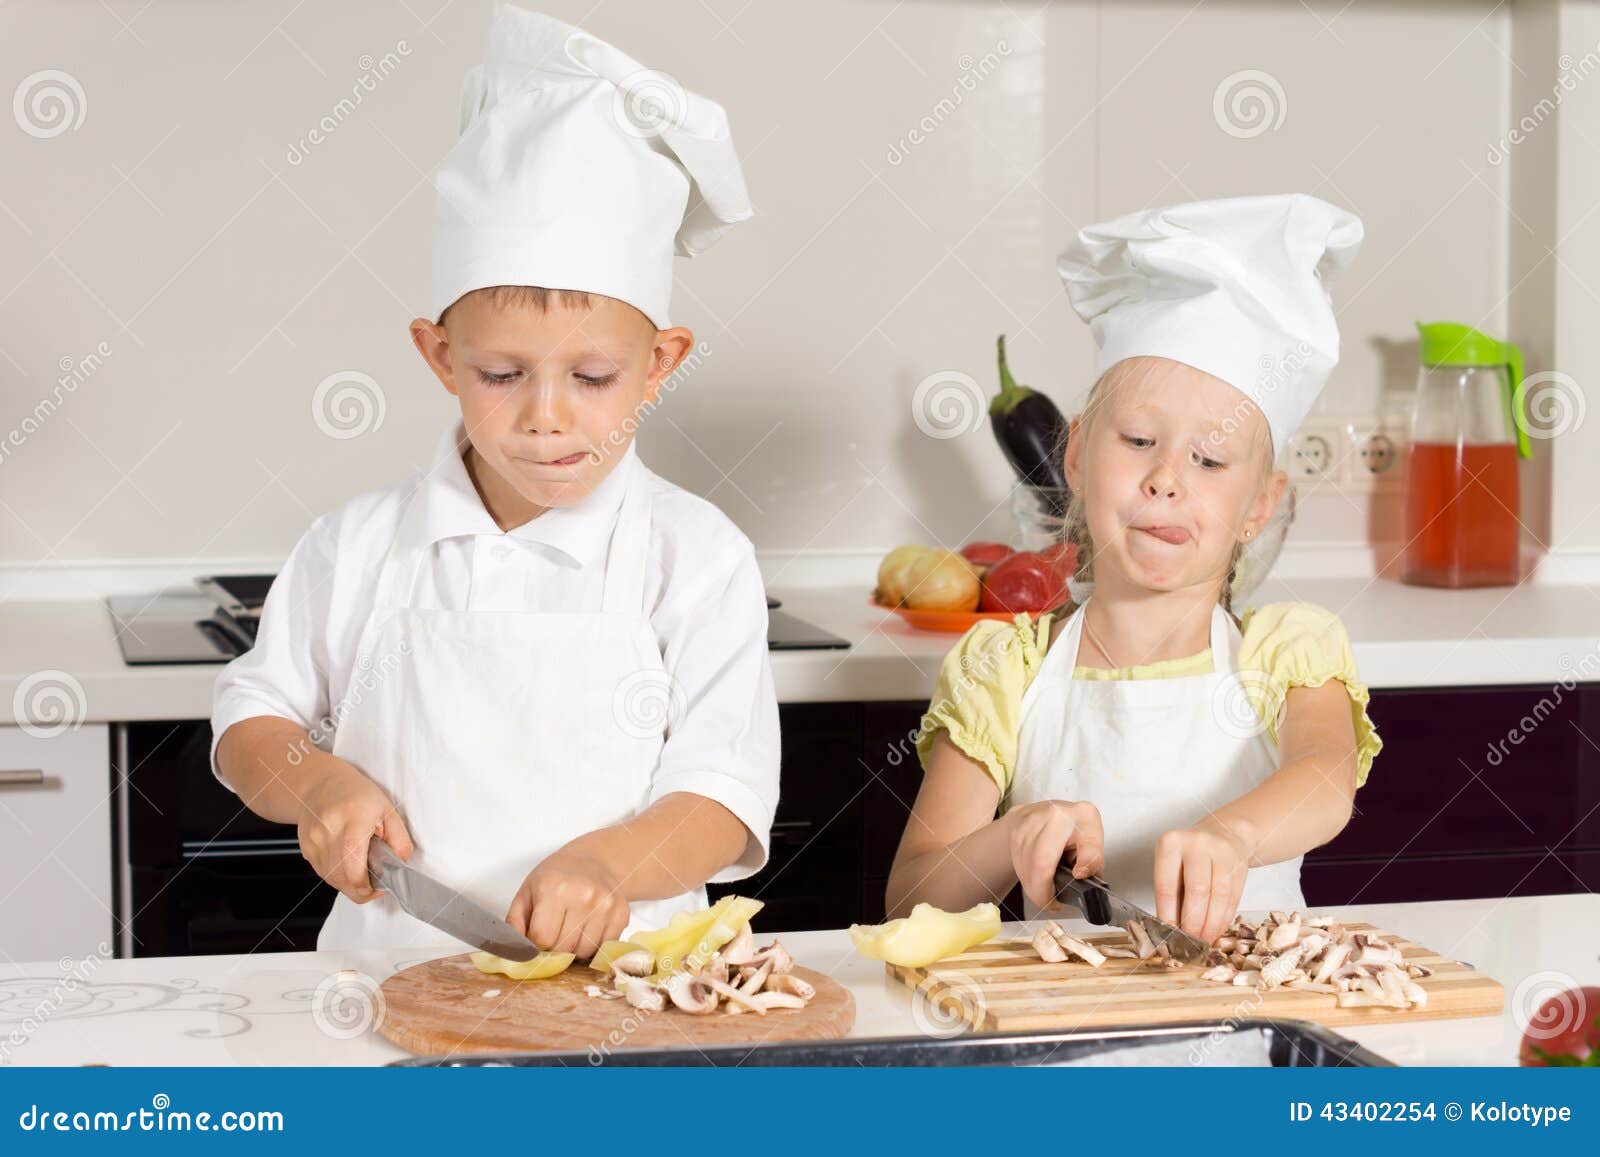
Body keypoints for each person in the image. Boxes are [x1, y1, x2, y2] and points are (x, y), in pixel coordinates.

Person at [211, 5, 777, 960]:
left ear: (660, 361)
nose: (546, 414)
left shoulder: (699, 555)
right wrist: (316, 784)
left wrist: (614, 862)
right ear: (439, 355)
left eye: (592, 378)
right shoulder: (354, 544)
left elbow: (723, 796)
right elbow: (250, 720)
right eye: (501, 375)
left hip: (627, 999)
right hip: (388, 988)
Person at [887, 195, 1381, 944]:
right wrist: (1011, 834)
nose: (1167, 480)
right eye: (1140, 439)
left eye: (1211, 459)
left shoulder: (1285, 652)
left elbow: (1325, 780)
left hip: (1244, 1031)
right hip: (1061, 1039)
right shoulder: (1009, 669)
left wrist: (1233, 834)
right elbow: (910, 901)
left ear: (1260, 503)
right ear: (1078, 456)